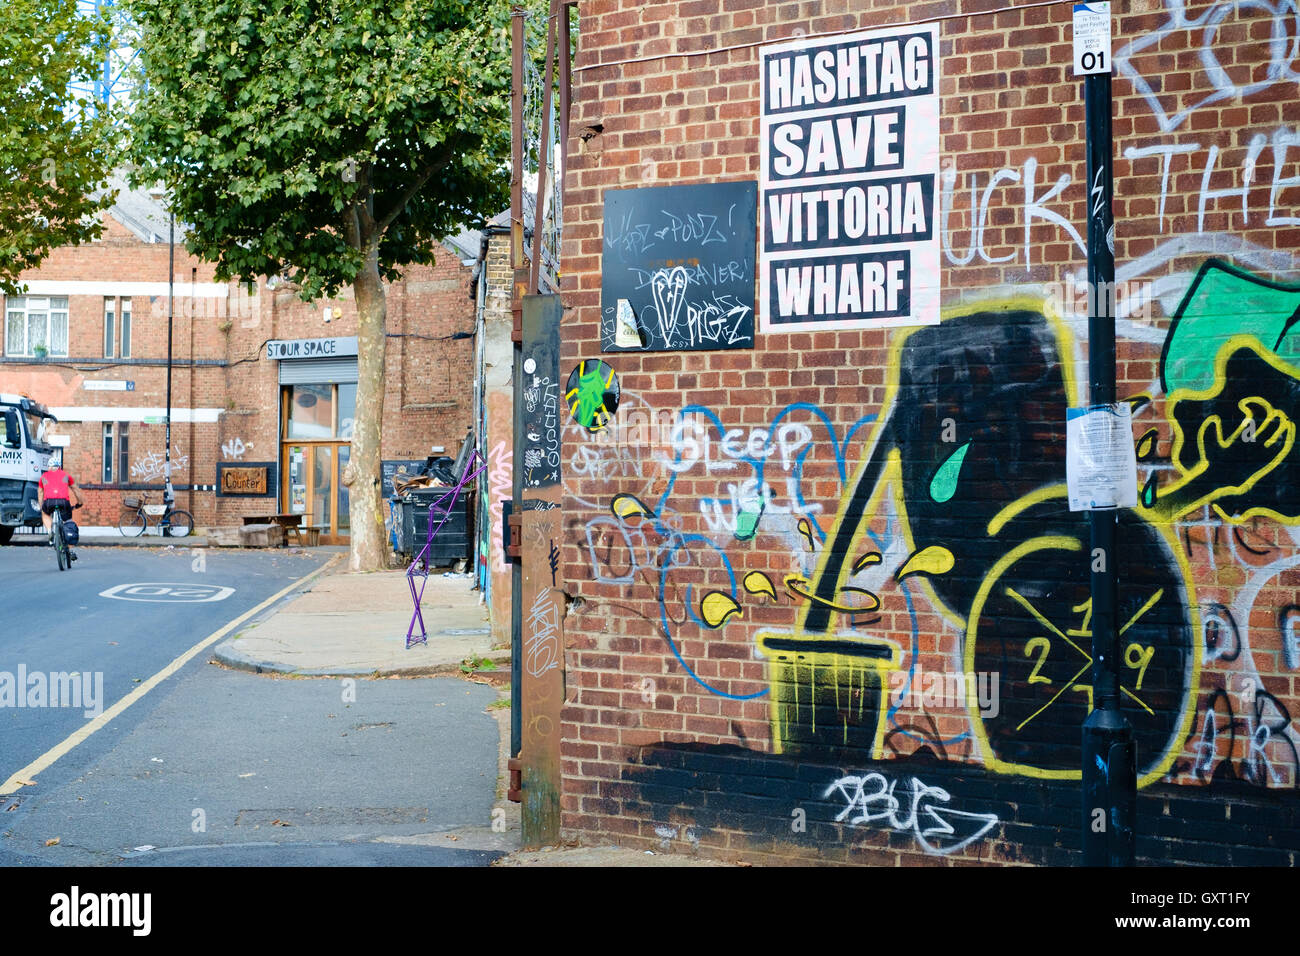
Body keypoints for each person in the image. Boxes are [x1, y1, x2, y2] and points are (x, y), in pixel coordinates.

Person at [38, 460, 82, 560]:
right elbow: (75, 489)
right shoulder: (66, 476)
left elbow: (40, 492)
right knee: (68, 522)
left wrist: (41, 506)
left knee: (45, 514)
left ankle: (50, 531)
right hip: (63, 502)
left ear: (49, 467)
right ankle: (69, 548)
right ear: (59, 467)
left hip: (49, 502)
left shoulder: (44, 477)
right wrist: (80, 502)